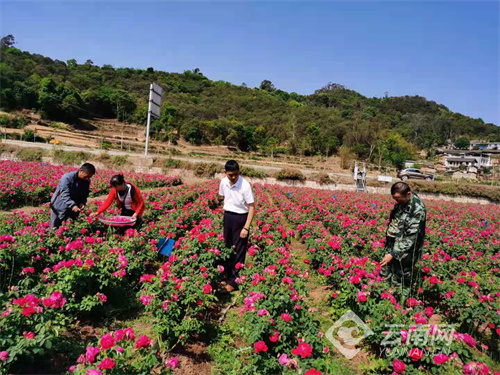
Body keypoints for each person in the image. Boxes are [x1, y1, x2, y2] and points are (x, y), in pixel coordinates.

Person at [380, 182, 427, 301]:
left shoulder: (417, 209)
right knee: (390, 273)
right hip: (394, 244)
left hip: (406, 252)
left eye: (398, 198)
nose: (396, 201)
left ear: (408, 194)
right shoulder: (402, 202)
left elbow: (411, 237)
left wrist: (393, 254)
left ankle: (402, 303)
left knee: (403, 278)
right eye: (394, 199)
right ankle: (390, 297)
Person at [218, 160, 256, 293]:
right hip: (228, 216)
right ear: (225, 173)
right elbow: (223, 197)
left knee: (239, 250)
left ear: (239, 172)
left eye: (235, 174)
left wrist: (246, 227)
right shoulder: (223, 182)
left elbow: (251, 207)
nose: (233, 177)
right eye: (230, 175)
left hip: (241, 218)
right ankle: (225, 276)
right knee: (227, 247)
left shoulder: (245, 186)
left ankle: (234, 281)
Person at [50, 163, 96, 230]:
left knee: (70, 227)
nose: (87, 178)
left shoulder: (86, 181)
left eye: (89, 177)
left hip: (74, 207)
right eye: (86, 176)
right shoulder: (67, 178)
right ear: (80, 171)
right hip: (59, 205)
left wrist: (82, 202)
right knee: (54, 226)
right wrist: (72, 205)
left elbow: (85, 193)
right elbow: (64, 194)